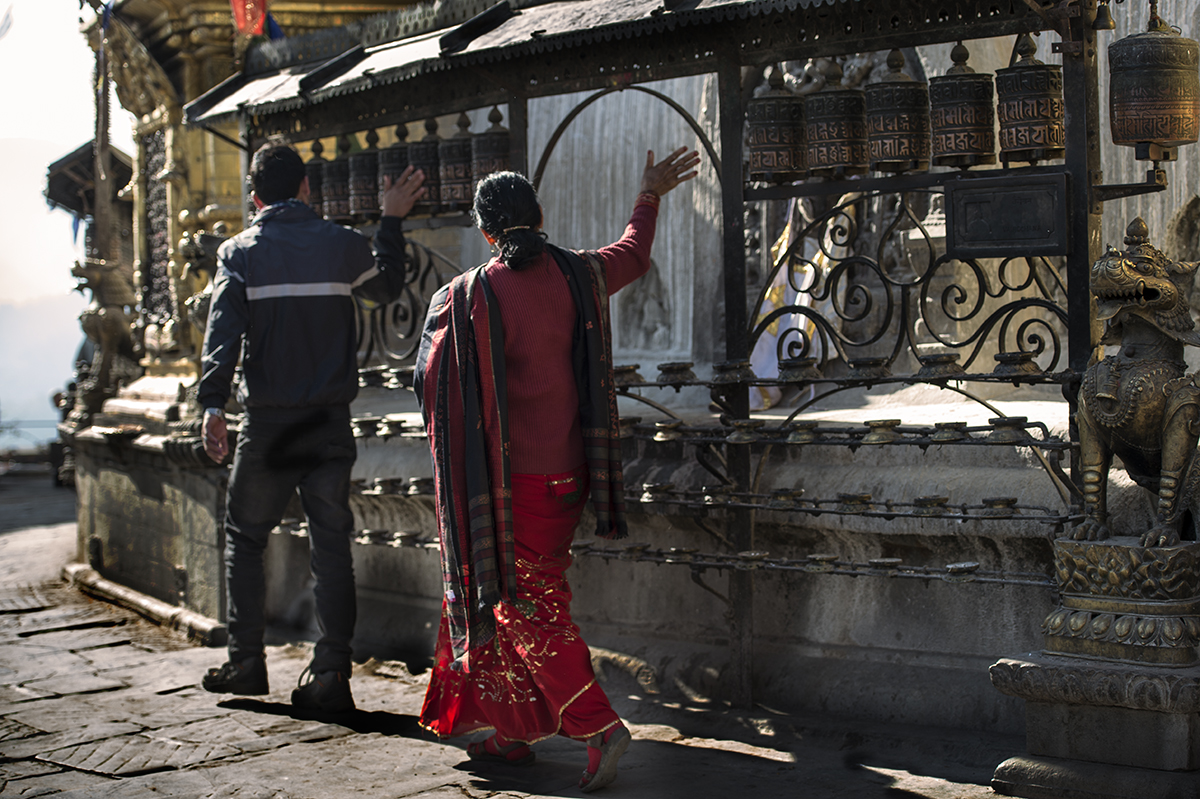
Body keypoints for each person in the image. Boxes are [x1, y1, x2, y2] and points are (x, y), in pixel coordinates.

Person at [414, 147, 700, 792]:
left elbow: (430, 384)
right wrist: (648, 194)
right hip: (571, 477)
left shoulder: (468, 297)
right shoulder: (580, 275)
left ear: (485, 231)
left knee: (522, 605)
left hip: (510, 488)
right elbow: (634, 252)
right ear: (540, 216)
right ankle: (509, 733)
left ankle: (599, 726)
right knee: (524, 595)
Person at [197, 141, 426, 712]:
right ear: (305, 189)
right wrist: (391, 220)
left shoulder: (239, 253)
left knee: (245, 538)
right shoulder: (342, 246)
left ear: (255, 199)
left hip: (271, 428)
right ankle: (330, 674)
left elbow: (222, 333)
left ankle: (246, 661)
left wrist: (212, 405)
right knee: (331, 549)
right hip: (327, 424)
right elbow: (386, 288)